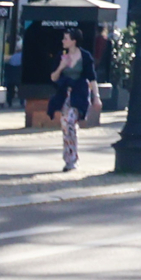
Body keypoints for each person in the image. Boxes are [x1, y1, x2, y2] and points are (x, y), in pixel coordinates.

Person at [48, 29, 97, 173]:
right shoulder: (61, 56)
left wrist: (96, 97)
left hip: (80, 94)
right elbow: (53, 77)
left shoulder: (85, 56)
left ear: (74, 41)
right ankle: (69, 157)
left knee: (69, 121)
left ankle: (72, 158)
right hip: (65, 94)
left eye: (66, 38)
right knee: (65, 124)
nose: (63, 41)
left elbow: (92, 78)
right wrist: (61, 67)